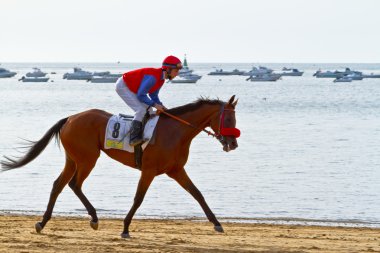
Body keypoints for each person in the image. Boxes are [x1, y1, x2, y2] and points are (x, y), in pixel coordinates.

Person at [115, 55, 182, 146]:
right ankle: (133, 138)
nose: (177, 73)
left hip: (134, 88)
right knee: (141, 110)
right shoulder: (153, 78)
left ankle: (146, 134)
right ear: (168, 69)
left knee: (150, 110)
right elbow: (141, 95)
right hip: (123, 86)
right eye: (176, 70)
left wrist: (161, 106)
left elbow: (153, 95)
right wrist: (155, 105)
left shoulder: (161, 79)